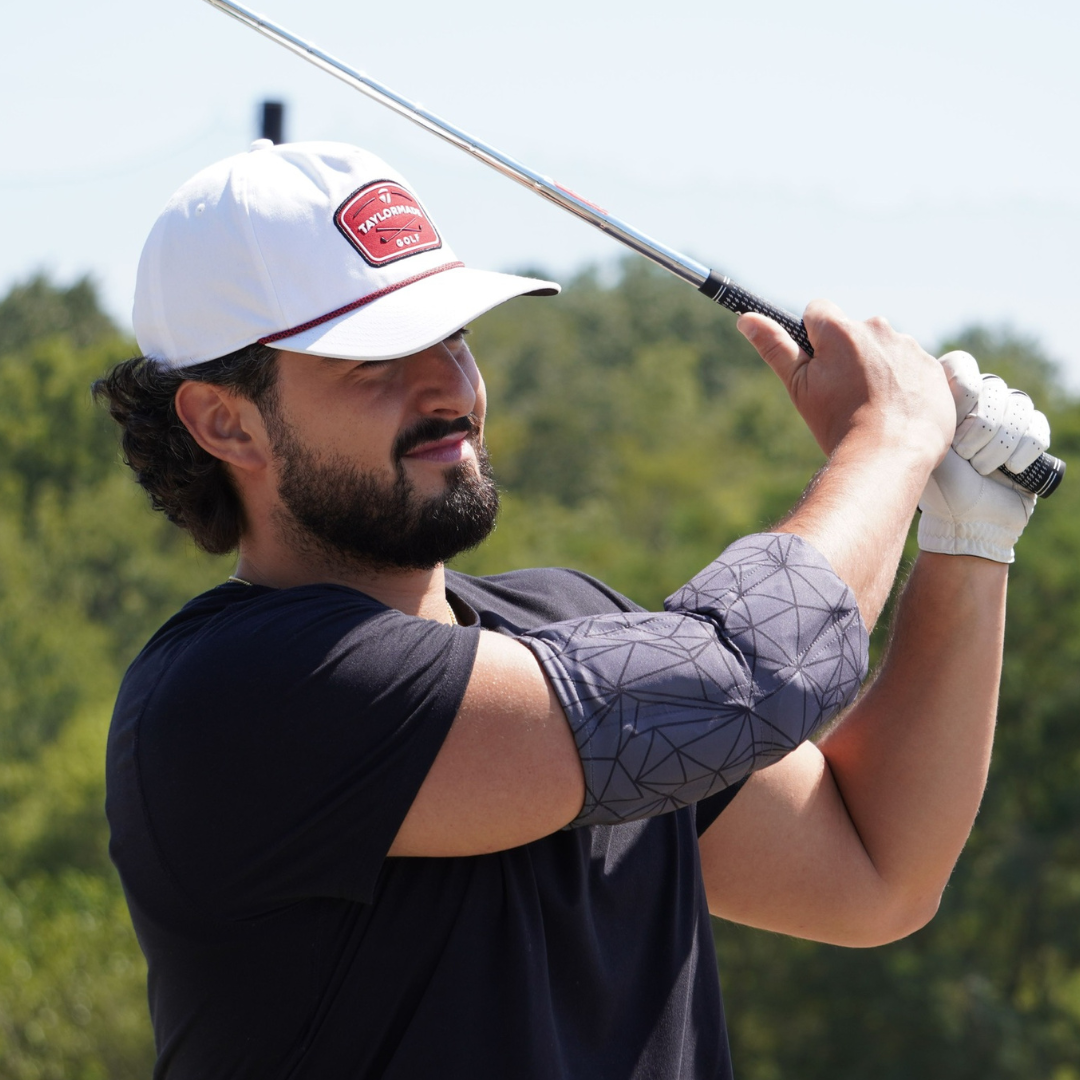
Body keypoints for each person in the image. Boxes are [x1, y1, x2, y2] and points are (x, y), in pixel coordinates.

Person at [95, 140, 1050, 1080]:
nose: (450, 389)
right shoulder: (237, 695)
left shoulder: (565, 621)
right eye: (377, 359)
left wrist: (967, 542)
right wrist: (888, 440)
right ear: (226, 421)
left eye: (453, 338)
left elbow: (876, 870)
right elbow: (754, 676)